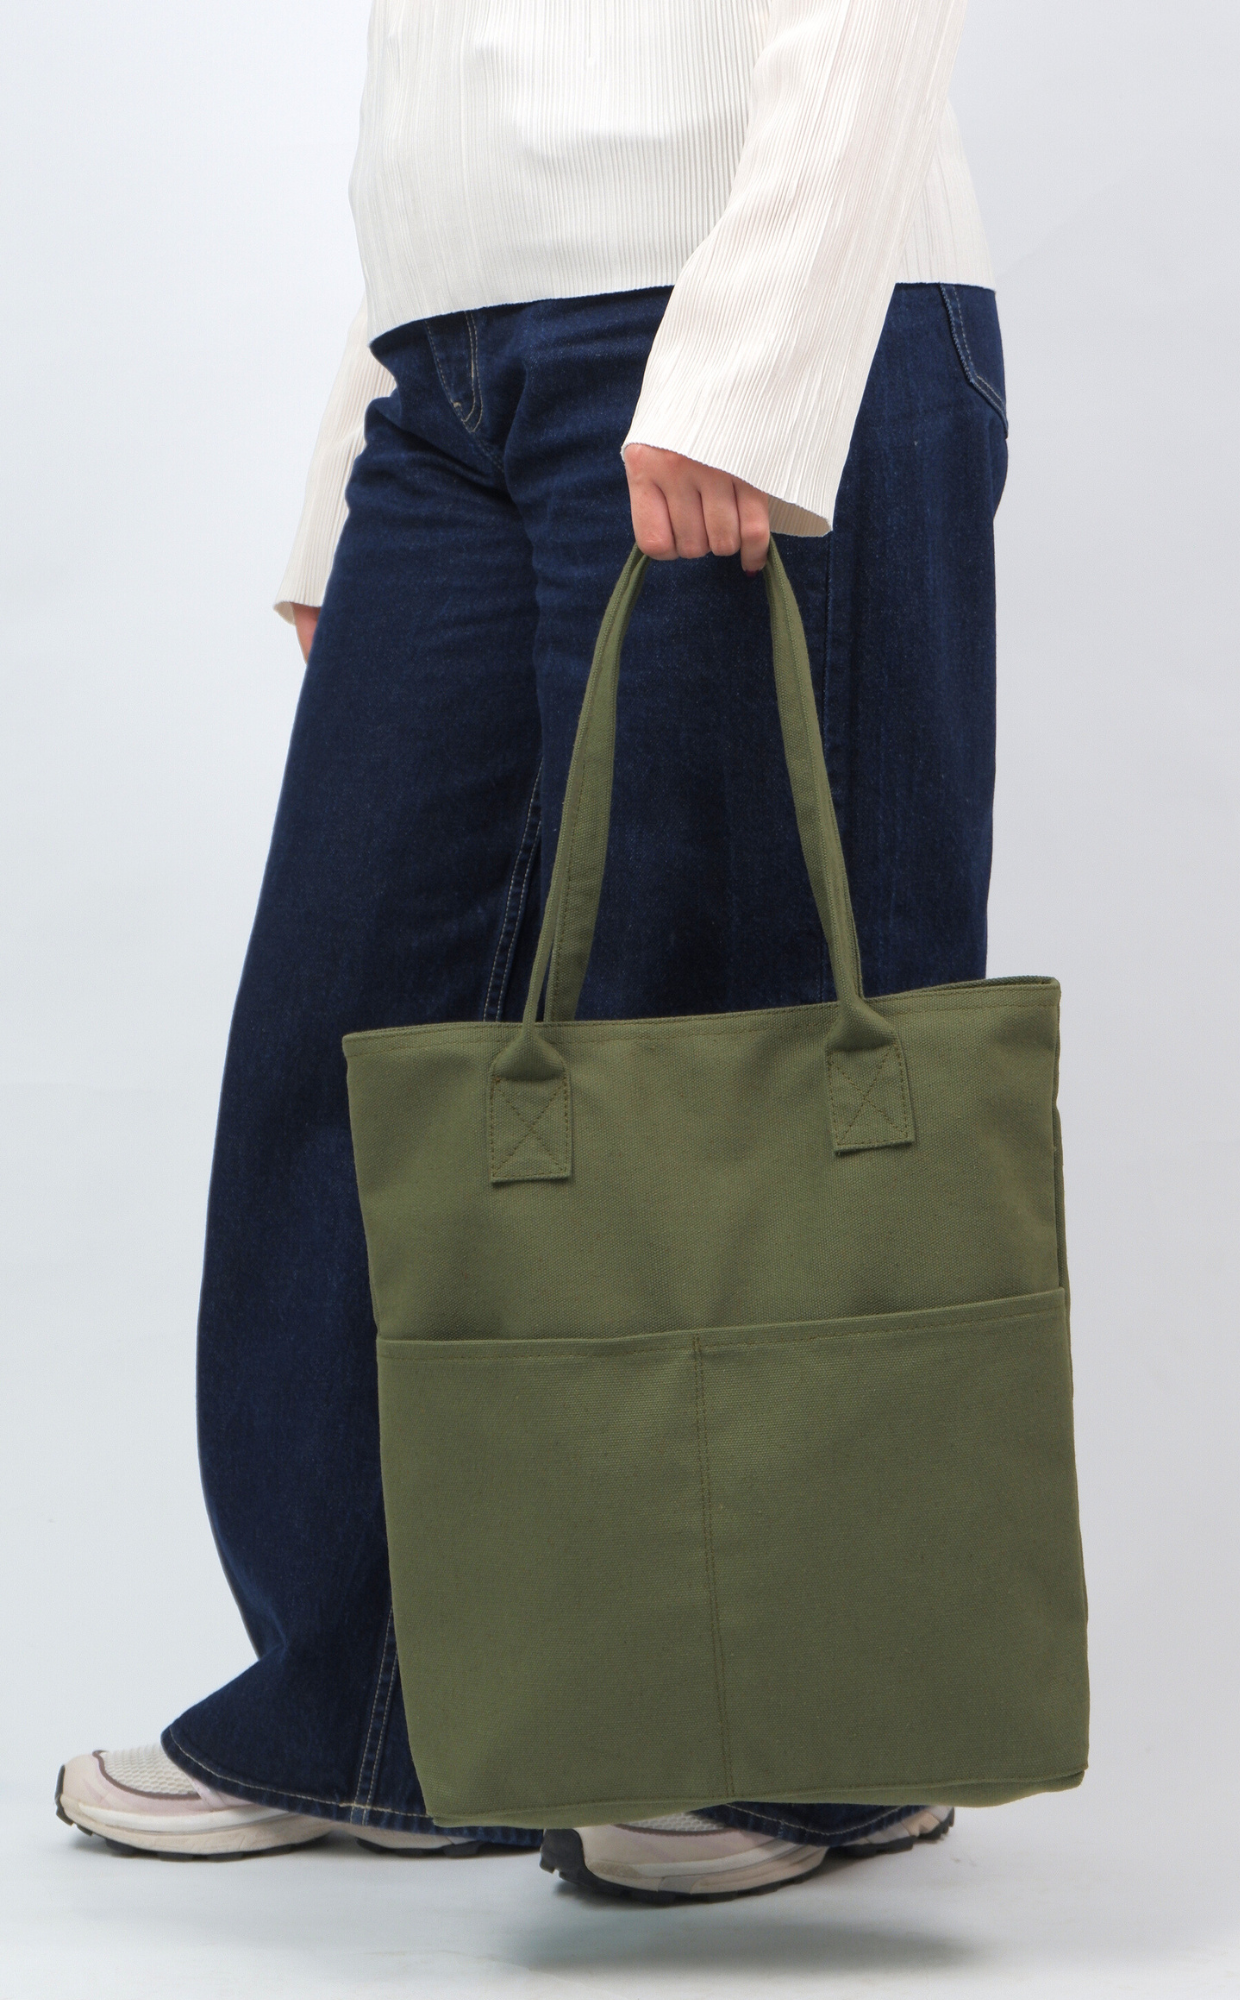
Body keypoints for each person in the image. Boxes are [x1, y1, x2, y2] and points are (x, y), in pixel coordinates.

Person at [57, 0, 1007, 1901]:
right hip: (461, 366)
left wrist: (758, 347)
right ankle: (380, 1704)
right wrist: (362, 440)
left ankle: (813, 1745)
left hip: (745, 301)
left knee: (735, 1062)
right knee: (363, 1037)